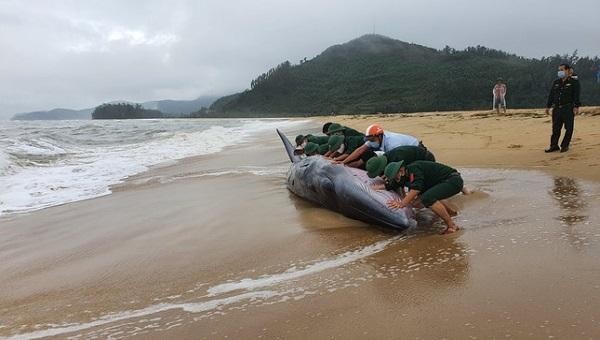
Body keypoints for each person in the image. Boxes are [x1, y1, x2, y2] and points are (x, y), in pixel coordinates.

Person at [384, 160, 464, 234]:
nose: (396, 180)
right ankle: (451, 213)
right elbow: (393, 185)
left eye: (396, 177)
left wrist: (402, 203)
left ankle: (452, 225)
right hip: (441, 183)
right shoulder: (403, 176)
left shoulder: (414, 169)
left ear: (401, 171)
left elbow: (416, 189)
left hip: (453, 180)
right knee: (416, 203)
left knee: (428, 198)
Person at [340, 124, 420, 165]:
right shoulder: (373, 138)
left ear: (379, 136)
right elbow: (360, 150)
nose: (371, 142)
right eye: (369, 140)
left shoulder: (392, 143)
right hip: (401, 151)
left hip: (415, 150)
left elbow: (398, 162)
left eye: (372, 140)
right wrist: (343, 162)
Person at [545, 63, 581, 153]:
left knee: (569, 128)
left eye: (562, 70)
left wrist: (576, 106)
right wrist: (548, 106)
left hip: (568, 108)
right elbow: (551, 95)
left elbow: (576, 95)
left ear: (568, 70)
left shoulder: (574, 82)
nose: (560, 72)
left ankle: (565, 145)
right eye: (559, 70)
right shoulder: (556, 82)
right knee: (555, 128)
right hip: (557, 108)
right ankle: (554, 146)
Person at [365, 146, 436, 179]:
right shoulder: (386, 157)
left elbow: (401, 178)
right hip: (415, 160)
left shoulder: (398, 159)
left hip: (427, 159)